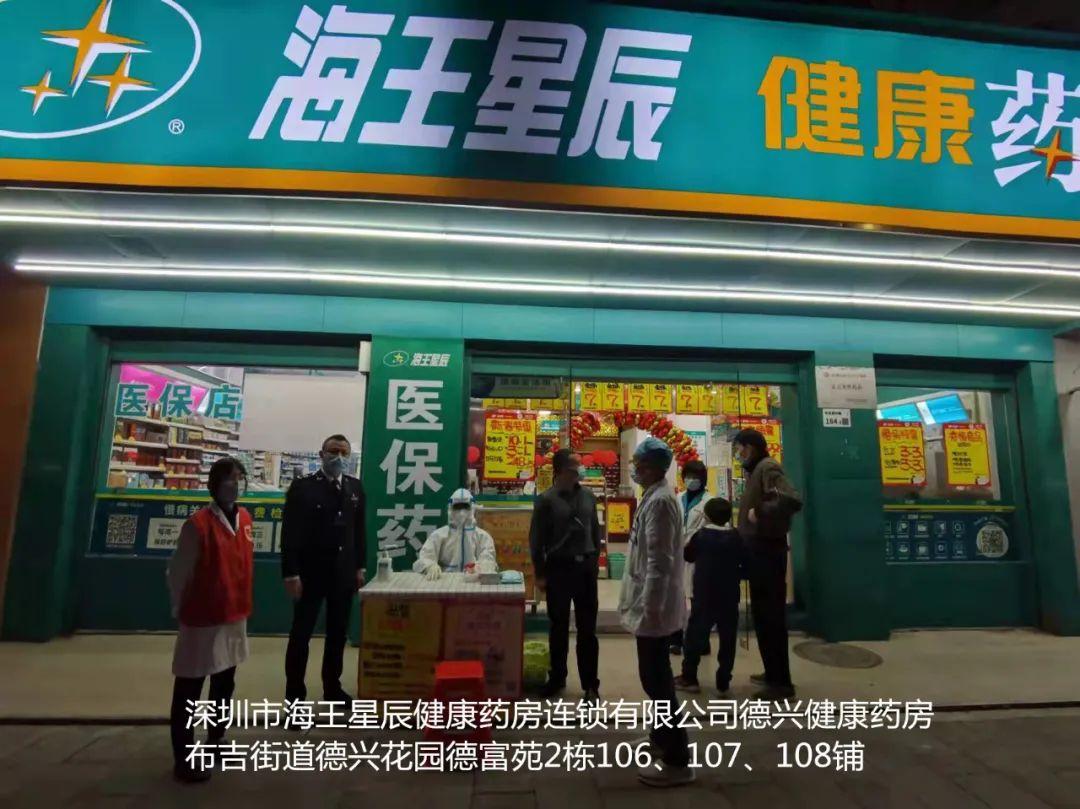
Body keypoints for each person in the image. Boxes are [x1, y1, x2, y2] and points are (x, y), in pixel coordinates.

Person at [166, 457, 254, 784]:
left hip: (234, 614)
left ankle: (216, 740)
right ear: (214, 484)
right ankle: (184, 757)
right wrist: (181, 607)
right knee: (190, 687)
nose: (235, 484)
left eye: (240, 478)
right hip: (202, 618)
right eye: (229, 478)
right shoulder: (198, 524)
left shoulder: (245, 519)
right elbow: (178, 572)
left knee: (224, 682)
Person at [619, 437, 693, 788]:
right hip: (651, 607)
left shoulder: (661, 502)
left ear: (654, 468)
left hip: (655, 610)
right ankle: (660, 738)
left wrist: (649, 609)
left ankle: (678, 759)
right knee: (654, 677)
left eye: (640, 465)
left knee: (657, 681)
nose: (635, 469)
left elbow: (659, 563)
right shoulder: (653, 495)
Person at [282, 434, 366, 705]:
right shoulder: (303, 487)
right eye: (333, 451)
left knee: (337, 634)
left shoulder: (354, 488)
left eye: (344, 452)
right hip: (310, 573)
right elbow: (290, 532)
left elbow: (359, 532)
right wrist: (291, 572)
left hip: (343, 573)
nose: (338, 457)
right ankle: (295, 698)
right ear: (321, 454)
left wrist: (360, 566)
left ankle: (332, 688)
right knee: (301, 636)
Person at [733, 428, 802, 701]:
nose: (738, 454)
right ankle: (772, 673)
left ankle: (782, 683)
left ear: (750, 447)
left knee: (771, 618)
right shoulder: (757, 470)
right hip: (759, 551)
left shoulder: (768, 467)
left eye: (740, 448)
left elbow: (792, 499)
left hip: (768, 552)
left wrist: (759, 511)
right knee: (762, 617)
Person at [529, 449, 601, 702]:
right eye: (574, 468)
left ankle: (590, 684)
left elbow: (595, 532)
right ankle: (557, 678)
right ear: (559, 471)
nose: (579, 471)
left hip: (585, 570)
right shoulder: (545, 501)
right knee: (558, 627)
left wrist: (594, 562)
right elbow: (536, 540)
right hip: (558, 569)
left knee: (587, 630)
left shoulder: (589, 497)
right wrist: (540, 573)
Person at [673, 497, 742, 696]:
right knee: (728, 638)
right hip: (729, 595)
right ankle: (723, 680)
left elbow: (688, 556)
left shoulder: (701, 536)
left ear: (707, 516)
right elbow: (745, 560)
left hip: (704, 595)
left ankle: (689, 677)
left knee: (695, 635)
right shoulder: (736, 537)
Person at [412, 488, 497, 578]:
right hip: (444, 582)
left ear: (472, 508)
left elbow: (488, 559)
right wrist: (429, 566)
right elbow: (424, 558)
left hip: (474, 581)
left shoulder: (483, 536)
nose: (461, 512)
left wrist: (482, 567)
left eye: (465, 507)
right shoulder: (439, 535)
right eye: (457, 507)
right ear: (450, 508)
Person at [670, 459, 709, 656]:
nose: (691, 480)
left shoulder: (709, 501)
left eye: (695, 477)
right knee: (676, 598)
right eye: (687, 476)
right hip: (678, 554)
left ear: (703, 479)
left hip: (698, 556)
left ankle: (700, 641)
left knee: (697, 600)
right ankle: (676, 640)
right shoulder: (678, 498)